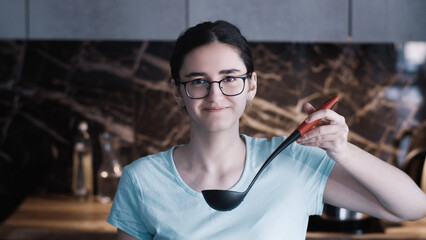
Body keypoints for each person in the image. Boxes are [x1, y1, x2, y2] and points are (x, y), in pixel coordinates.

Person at [107, 20, 426, 240]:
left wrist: (342, 149)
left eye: (230, 78)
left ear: (252, 85)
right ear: (178, 91)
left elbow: (413, 208)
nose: (215, 94)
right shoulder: (141, 179)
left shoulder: (295, 163)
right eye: (198, 81)